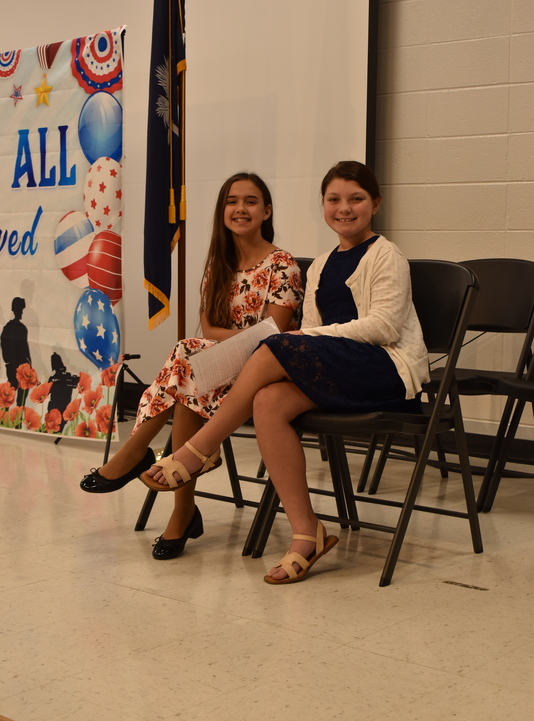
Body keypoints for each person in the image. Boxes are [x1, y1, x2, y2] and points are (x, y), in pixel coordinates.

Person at [140, 161, 430, 584]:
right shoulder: (322, 264)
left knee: (276, 342)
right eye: (334, 199)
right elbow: (310, 331)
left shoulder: (387, 255)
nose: (344, 208)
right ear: (323, 205)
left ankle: (199, 449)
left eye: (356, 199)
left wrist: (310, 338)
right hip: (339, 367)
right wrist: (309, 339)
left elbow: (383, 328)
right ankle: (307, 532)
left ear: (376, 204)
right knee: (268, 400)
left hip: (385, 369)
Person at [80, 172, 303, 560]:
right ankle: (181, 511)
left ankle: (138, 455)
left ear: (266, 211)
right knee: (189, 377)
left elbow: (273, 336)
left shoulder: (282, 265)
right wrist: (232, 340)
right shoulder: (218, 265)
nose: (240, 209)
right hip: (220, 369)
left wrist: (226, 342)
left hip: (266, 371)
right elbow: (211, 329)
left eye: (251, 201)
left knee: (188, 357)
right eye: (232, 201)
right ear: (222, 212)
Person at [1, 297, 32, 406]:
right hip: (16, 366)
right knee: (12, 392)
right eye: (20, 310)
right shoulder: (14, 328)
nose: (21, 313)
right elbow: (5, 345)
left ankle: (16, 412)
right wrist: (10, 362)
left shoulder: (17, 327)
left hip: (18, 365)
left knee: (20, 393)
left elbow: (24, 348)